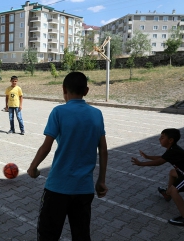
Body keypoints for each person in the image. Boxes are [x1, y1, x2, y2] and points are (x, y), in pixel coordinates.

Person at [27, 72, 108, 241]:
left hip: (57, 187)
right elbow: (103, 149)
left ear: (64, 89)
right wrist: (101, 180)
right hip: (84, 188)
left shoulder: (58, 112)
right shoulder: (96, 114)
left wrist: (33, 167)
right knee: (81, 234)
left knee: (48, 234)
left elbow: (46, 147)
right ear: (86, 91)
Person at [131, 128, 184, 227]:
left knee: (174, 191)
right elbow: (162, 158)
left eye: (162, 137)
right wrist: (147, 156)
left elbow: (159, 162)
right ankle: (167, 194)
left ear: (170, 140)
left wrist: (141, 164)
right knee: (172, 172)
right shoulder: (172, 149)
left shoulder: (174, 151)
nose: (159, 139)